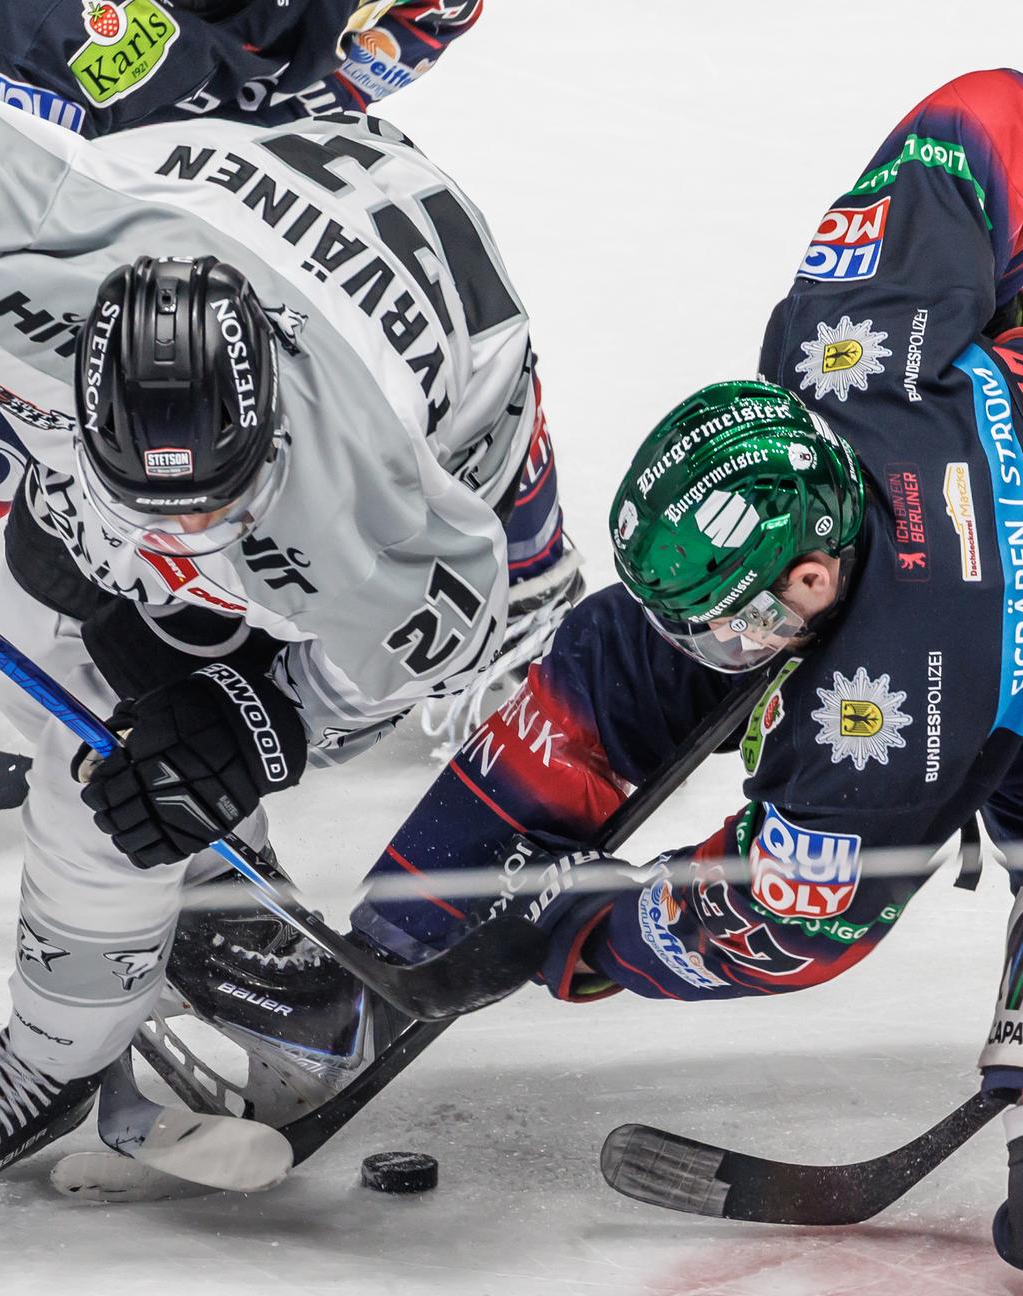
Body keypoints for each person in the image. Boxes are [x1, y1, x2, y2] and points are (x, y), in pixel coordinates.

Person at [166, 69, 1023, 1264]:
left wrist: (583, 931)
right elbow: (985, 112)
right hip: (949, 509)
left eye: (733, 625)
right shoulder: (850, 348)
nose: (711, 654)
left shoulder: (890, 722)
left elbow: (796, 920)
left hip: (979, 659)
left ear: (820, 583)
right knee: (618, 666)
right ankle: (391, 945)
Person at [0, 55, 554, 1195]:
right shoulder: (26, 250)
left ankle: (56, 1057)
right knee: (44, 636)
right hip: (243, 204)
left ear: (271, 437)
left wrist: (255, 727)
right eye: (141, 493)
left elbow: (469, 625)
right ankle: (186, 889)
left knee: (123, 766)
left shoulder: (376, 503)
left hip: (458, 395)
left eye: (212, 502)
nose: (177, 541)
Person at [0, 0, 577, 712]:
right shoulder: (40, 26)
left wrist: (290, 128)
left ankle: (528, 569)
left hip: (213, 120)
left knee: (426, 304)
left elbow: (416, 30)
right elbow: (19, 228)